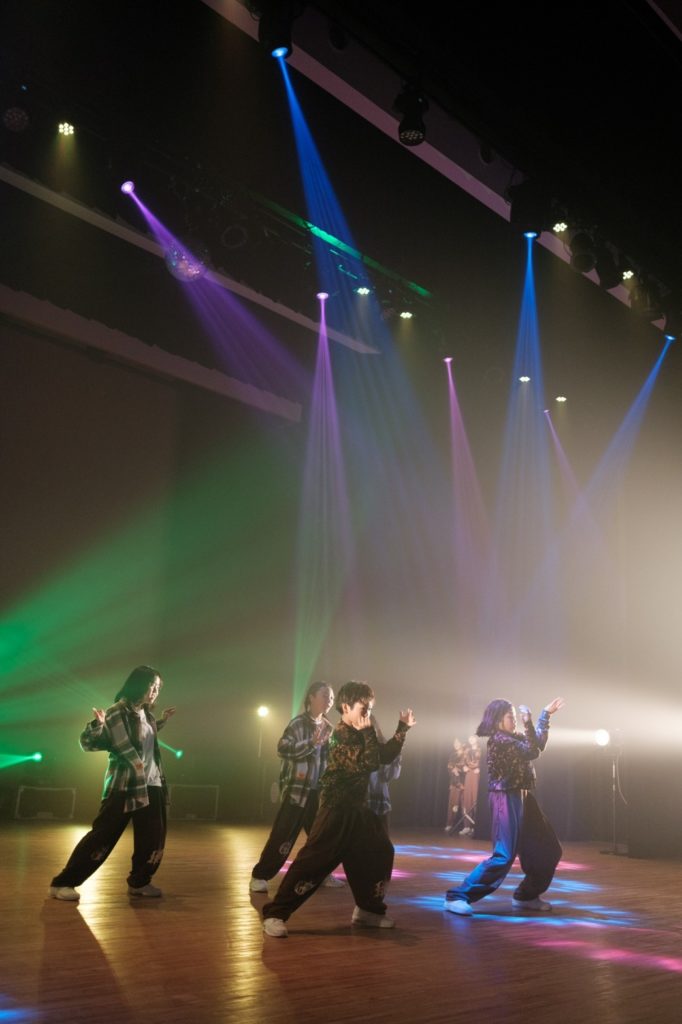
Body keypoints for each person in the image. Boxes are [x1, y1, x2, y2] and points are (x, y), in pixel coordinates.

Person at [261, 680, 416, 937]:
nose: (368, 714)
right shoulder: (341, 735)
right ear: (346, 707)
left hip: (359, 810)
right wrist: (369, 733)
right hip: (336, 809)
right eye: (364, 709)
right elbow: (370, 763)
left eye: (370, 709)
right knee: (312, 862)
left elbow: (385, 756)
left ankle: (368, 910)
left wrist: (403, 728)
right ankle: (275, 913)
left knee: (380, 852)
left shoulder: (359, 732)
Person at [49, 665, 176, 901]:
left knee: (153, 839)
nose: (156, 691)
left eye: (159, 688)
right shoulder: (117, 712)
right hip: (125, 786)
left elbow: (146, 736)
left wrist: (162, 721)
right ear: (139, 684)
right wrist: (98, 725)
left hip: (152, 784)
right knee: (103, 836)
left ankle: (139, 882)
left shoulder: (147, 715)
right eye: (152, 686)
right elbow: (90, 743)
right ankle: (63, 883)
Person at [443, 696, 565, 916]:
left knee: (549, 849)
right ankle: (457, 896)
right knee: (504, 855)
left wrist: (545, 715)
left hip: (523, 795)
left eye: (515, 716)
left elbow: (538, 743)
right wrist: (529, 722)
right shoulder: (500, 740)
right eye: (511, 716)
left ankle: (526, 895)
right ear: (498, 719)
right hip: (505, 796)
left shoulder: (513, 737)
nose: (514, 720)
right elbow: (532, 750)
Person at [250, 681, 342, 892]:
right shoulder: (298, 724)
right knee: (283, 836)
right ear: (311, 697)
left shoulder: (329, 728)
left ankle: (322, 875)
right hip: (297, 791)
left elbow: (331, 760)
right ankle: (260, 876)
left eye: (331, 697)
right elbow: (282, 749)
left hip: (318, 793)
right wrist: (311, 743)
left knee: (321, 838)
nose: (329, 701)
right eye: (325, 695)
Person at [366, 717, 402, 835]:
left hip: (378, 798)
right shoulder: (355, 745)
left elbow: (391, 775)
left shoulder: (384, 746)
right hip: (362, 799)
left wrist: (396, 757)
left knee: (380, 837)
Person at [458, 735, 481, 836]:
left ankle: (476, 827)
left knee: (476, 799)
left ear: (477, 739)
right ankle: (467, 826)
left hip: (477, 775)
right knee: (467, 799)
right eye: (469, 738)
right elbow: (461, 763)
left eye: (473, 737)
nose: (471, 739)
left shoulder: (481, 750)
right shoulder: (466, 751)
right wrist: (464, 767)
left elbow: (485, 762)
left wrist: (480, 768)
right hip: (469, 775)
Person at [445, 737, 466, 833]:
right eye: (454, 743)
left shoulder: (465, 754)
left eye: (458, 743)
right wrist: (453, 770)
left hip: (464, 782)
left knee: (465, 805)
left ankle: (468, 826)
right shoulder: (452, 755)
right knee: (453, 804)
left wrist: (458, 770)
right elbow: (449, 767)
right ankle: (450, 824)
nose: (456, 745)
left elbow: (466, 767)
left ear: (462, 743)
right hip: (454, 782)